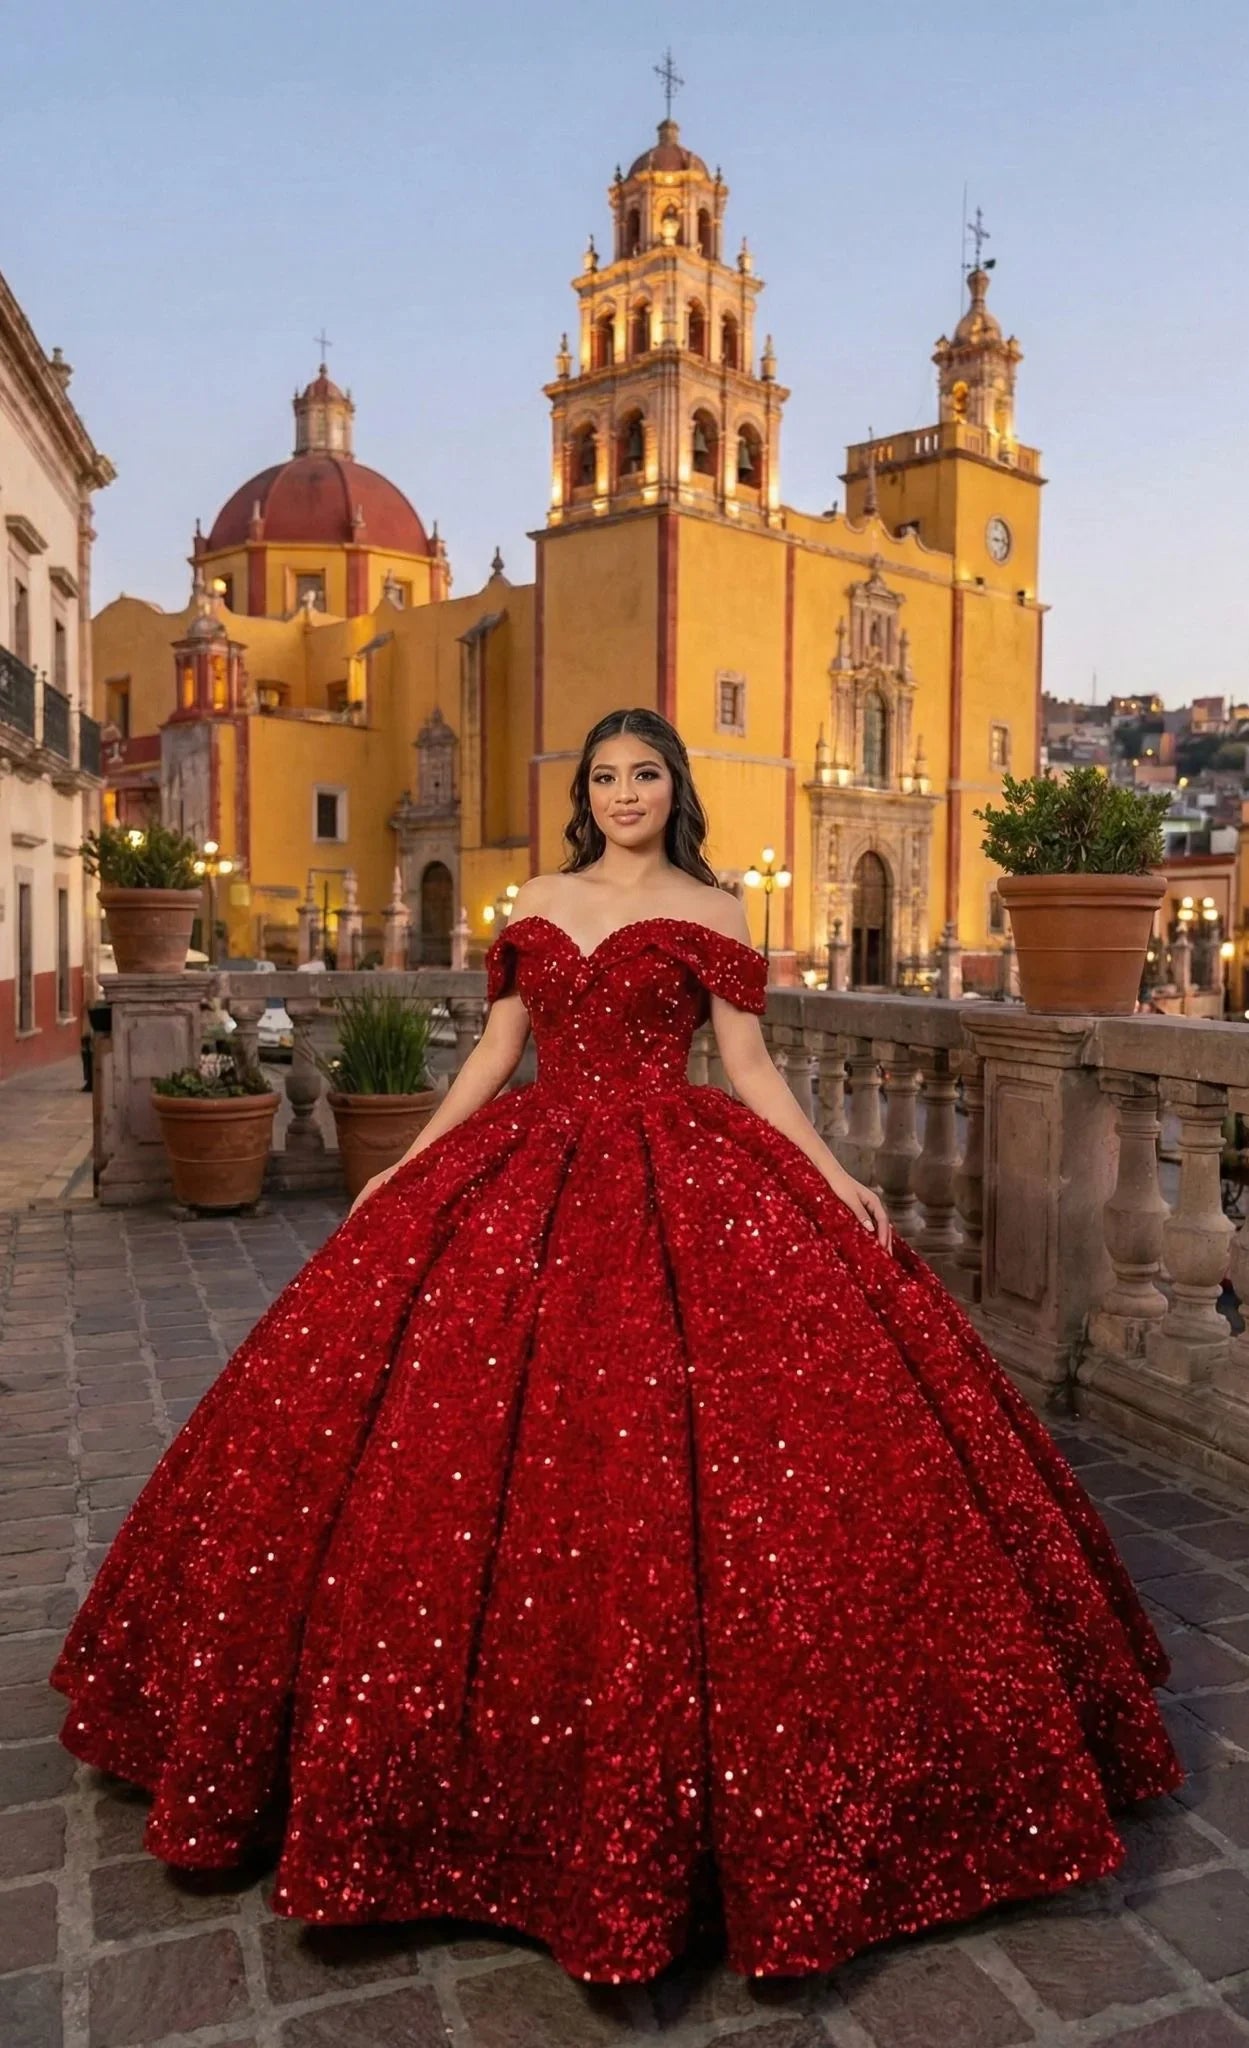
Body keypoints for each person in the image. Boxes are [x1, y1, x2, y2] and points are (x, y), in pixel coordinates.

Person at [51, 707, 1182, 1986]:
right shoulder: (537, 896)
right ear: (583, 791)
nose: (626, 790)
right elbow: (497, 1050)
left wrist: (837, 1174)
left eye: (646, 772)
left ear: (673, 787)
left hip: (683, 1166)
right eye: (605, 774)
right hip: (530, 1167)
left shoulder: (717, 904)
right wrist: (407, 1170)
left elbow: (747, 1064)